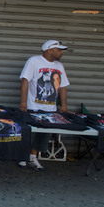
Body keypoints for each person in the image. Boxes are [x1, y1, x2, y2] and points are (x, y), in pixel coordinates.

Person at [19, 40, 70, 171]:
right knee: (29, 133)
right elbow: (25, 80)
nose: (61, 52)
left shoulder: (59, 66)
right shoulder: (34, 61)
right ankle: (23, 157)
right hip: (33, 106)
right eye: (59, 49)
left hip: (50, 108)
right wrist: (24, 102)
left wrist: (63, 105)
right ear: (49, 50)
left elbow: (62, 87)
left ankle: (32, 157)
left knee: (43, 135)